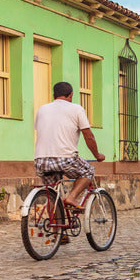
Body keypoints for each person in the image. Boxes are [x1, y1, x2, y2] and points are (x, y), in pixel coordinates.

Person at [34, 81, 105, 209]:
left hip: (41, 161)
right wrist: (97, 155)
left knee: (53, 196)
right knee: (88, 171)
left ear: (54, 95)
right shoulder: (77, 109)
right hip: (65, 159)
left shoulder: (42, 109)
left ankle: (55, 228)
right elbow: (88, 136)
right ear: (71, 95)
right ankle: (71, 198)